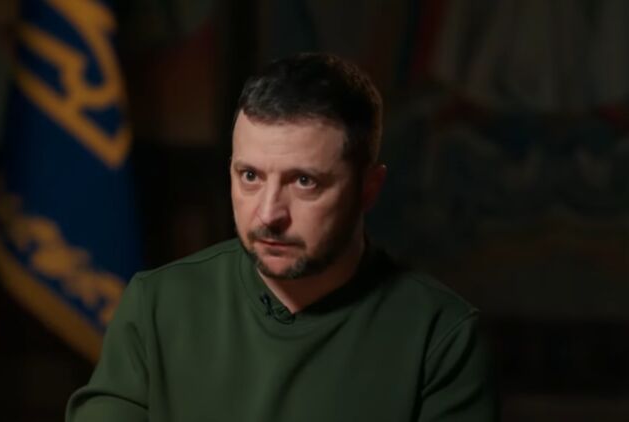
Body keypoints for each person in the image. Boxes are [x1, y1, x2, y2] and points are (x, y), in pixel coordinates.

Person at [66, 53, 498, 421]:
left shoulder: (441, 336)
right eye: (250, 176)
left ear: (369, 188)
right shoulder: (157, 305)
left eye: (304, 182)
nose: (269, 214)